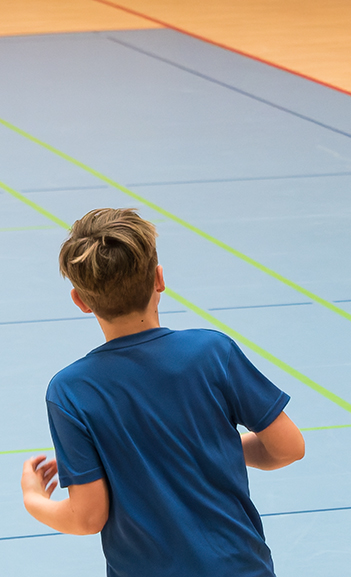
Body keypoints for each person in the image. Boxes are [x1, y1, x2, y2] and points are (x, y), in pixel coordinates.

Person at [20, 208, 305, 577]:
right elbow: (288, 448)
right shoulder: (212, 352)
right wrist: (208, 446)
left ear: (81, 300)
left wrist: (34, 498)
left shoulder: (71, 390)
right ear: (159, 279)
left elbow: (87, 517)